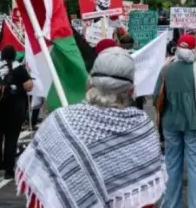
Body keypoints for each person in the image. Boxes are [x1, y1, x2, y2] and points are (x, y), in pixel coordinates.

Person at [17, 47, 166, 208]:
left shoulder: (60, 122)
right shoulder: (143, 129)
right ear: (131, 91)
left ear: (89, 84)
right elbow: (145, 199)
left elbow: (37, 188)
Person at [154, 34, 196, 208]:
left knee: (171, 163)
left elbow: (156, 94)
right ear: (194, 48)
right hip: (193, 123)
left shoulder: (166, 69)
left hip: (170, 123)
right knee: (195, 166)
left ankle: (171, 203)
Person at [0, 45, 33, 180]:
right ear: (14, 55)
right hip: (15, 109)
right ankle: (8, 170)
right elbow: (28, 86)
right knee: (11, 140)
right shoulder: (19, 68)